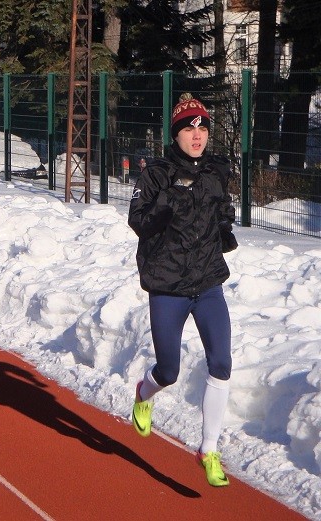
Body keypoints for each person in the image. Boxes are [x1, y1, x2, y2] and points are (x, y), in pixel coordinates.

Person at [128, 93, 238, 488]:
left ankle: (209, 450)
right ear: (175, 134)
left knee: (221, 363)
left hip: (207, 282)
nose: (197, 134)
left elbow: (222, 209)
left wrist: (224, 227)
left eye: (203, 126)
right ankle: (145, 392)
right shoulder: (156, 173)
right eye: (188, 128)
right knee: (170, 370)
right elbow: (138, 221)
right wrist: (166, 205)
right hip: (168, 285)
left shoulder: (216, 170)